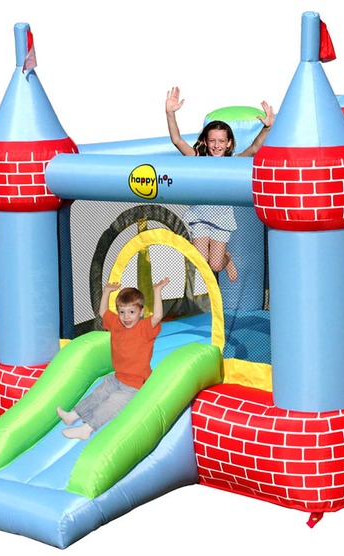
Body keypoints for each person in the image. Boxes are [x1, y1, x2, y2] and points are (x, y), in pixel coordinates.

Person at [165, 86, 275, 282]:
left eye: (221, 141)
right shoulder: (198, 159)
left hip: (221, 220)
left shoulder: (233, 162)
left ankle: (227, 258)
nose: (217, 145)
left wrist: (267, 128)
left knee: (216, 265)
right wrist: (170, 114)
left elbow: (254, 148)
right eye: (212, 141)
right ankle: (217, 259)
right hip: (200, 217)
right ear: (206, 142)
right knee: (200, 261)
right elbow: (177, 140)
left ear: (229, 143)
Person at [57, 278, 170, 440]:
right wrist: (106, 292)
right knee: (98, 394)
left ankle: (86, 429)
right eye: (122, 312)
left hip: (135, 384)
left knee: (112, 403)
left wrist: (157, 292)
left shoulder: (144, 328)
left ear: (141, 312)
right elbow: (103, 312)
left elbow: (157, 316)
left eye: (132, 312)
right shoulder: (117, 323)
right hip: (117, 377)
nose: (126, 317)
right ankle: (72, 416)